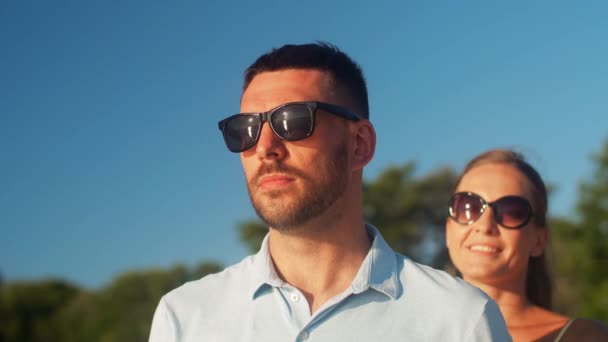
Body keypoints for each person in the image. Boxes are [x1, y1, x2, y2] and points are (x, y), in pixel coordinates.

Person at [148, 42, 511, 341]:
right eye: (244, 129)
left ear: (360, 145)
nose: (265, 146)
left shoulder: (460, 321)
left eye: (292, 121)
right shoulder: (185, 318)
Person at [446, 149, 608, 341]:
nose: (485, 225)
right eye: (468, 206)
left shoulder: (586, 337)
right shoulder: (410, 326)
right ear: (448, 229)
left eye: (511, 211)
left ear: (539, 240)